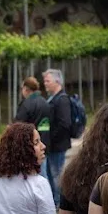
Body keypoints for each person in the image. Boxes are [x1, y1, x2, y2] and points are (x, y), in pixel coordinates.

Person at [40, 69, 74, 202]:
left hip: (58, 145)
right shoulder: (53, 98)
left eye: (48, 81)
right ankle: (55, 200)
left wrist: (51, 138)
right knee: (51, 173)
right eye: (44, 81)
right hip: (52, 145)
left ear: (57, 81)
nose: (45, 84)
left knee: (56, 175)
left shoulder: (62, 99)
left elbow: (65, 123)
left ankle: (59, 202)